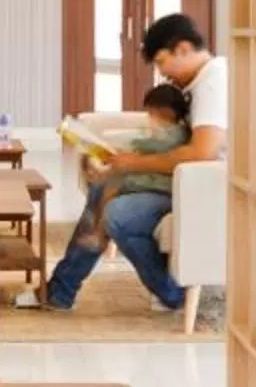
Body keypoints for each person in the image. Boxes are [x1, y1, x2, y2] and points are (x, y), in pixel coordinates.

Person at [30, 13, 227, 315]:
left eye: (162, 62)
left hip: (206, 189)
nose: (162, 73)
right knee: (103, 188)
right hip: (184, 183)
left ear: (184, 49)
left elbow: (202, 152)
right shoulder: (200, 83)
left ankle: (172, 293)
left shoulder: (213, 84)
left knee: (118, 214)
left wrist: (132, 162)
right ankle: (60, 291)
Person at [57, 81, 189, 258]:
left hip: (156, 182)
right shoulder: (176, 132)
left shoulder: (168, 134)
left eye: (150, 114)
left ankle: (100, 234)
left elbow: (144, 145)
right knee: (112, 178)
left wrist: (129, 149)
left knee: (111, 185)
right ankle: (98, 233)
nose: (149, 119)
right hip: (153, 177)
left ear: (159, 112)